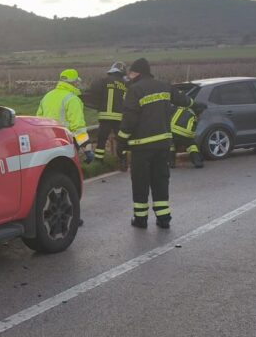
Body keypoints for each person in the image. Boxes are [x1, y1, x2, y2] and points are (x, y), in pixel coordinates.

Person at [117, 58, 190, 229]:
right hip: (163, 145)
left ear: (137, 72)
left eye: (131, 73)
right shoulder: (164, 86)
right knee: (160, 180)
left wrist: (121, 141)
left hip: (142, 147)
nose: (129, 76)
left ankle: (141, 219)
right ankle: (164, 218)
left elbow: (129, 119)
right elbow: (183, 100)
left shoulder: (135, 90)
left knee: (140, 182)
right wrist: (196, 105)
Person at [37, 69, 94, 164]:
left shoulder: (47, 96)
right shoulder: (72, 99)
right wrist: (86, 148)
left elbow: (38, 120)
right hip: (66, 141)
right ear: (74, 82)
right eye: (77, 81)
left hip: (48, 140)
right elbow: (78, 127)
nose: (77, 84)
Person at [87, 62, 128, 170]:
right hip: (119, 117)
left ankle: (98, 161)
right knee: (121, 140)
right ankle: (123, 161)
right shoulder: (126, 84)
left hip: (105, 117)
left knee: (101, 139)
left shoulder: (103, 81)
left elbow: (93, 93)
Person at [169, 102, 203, 168]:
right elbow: (193, 128)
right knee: (192, 145)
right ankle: (197, 162)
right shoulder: (193, 114)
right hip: (185, 133)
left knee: (171, 145)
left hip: (173, 131)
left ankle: (171, 163)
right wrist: (191, 138)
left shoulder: (177, 109)